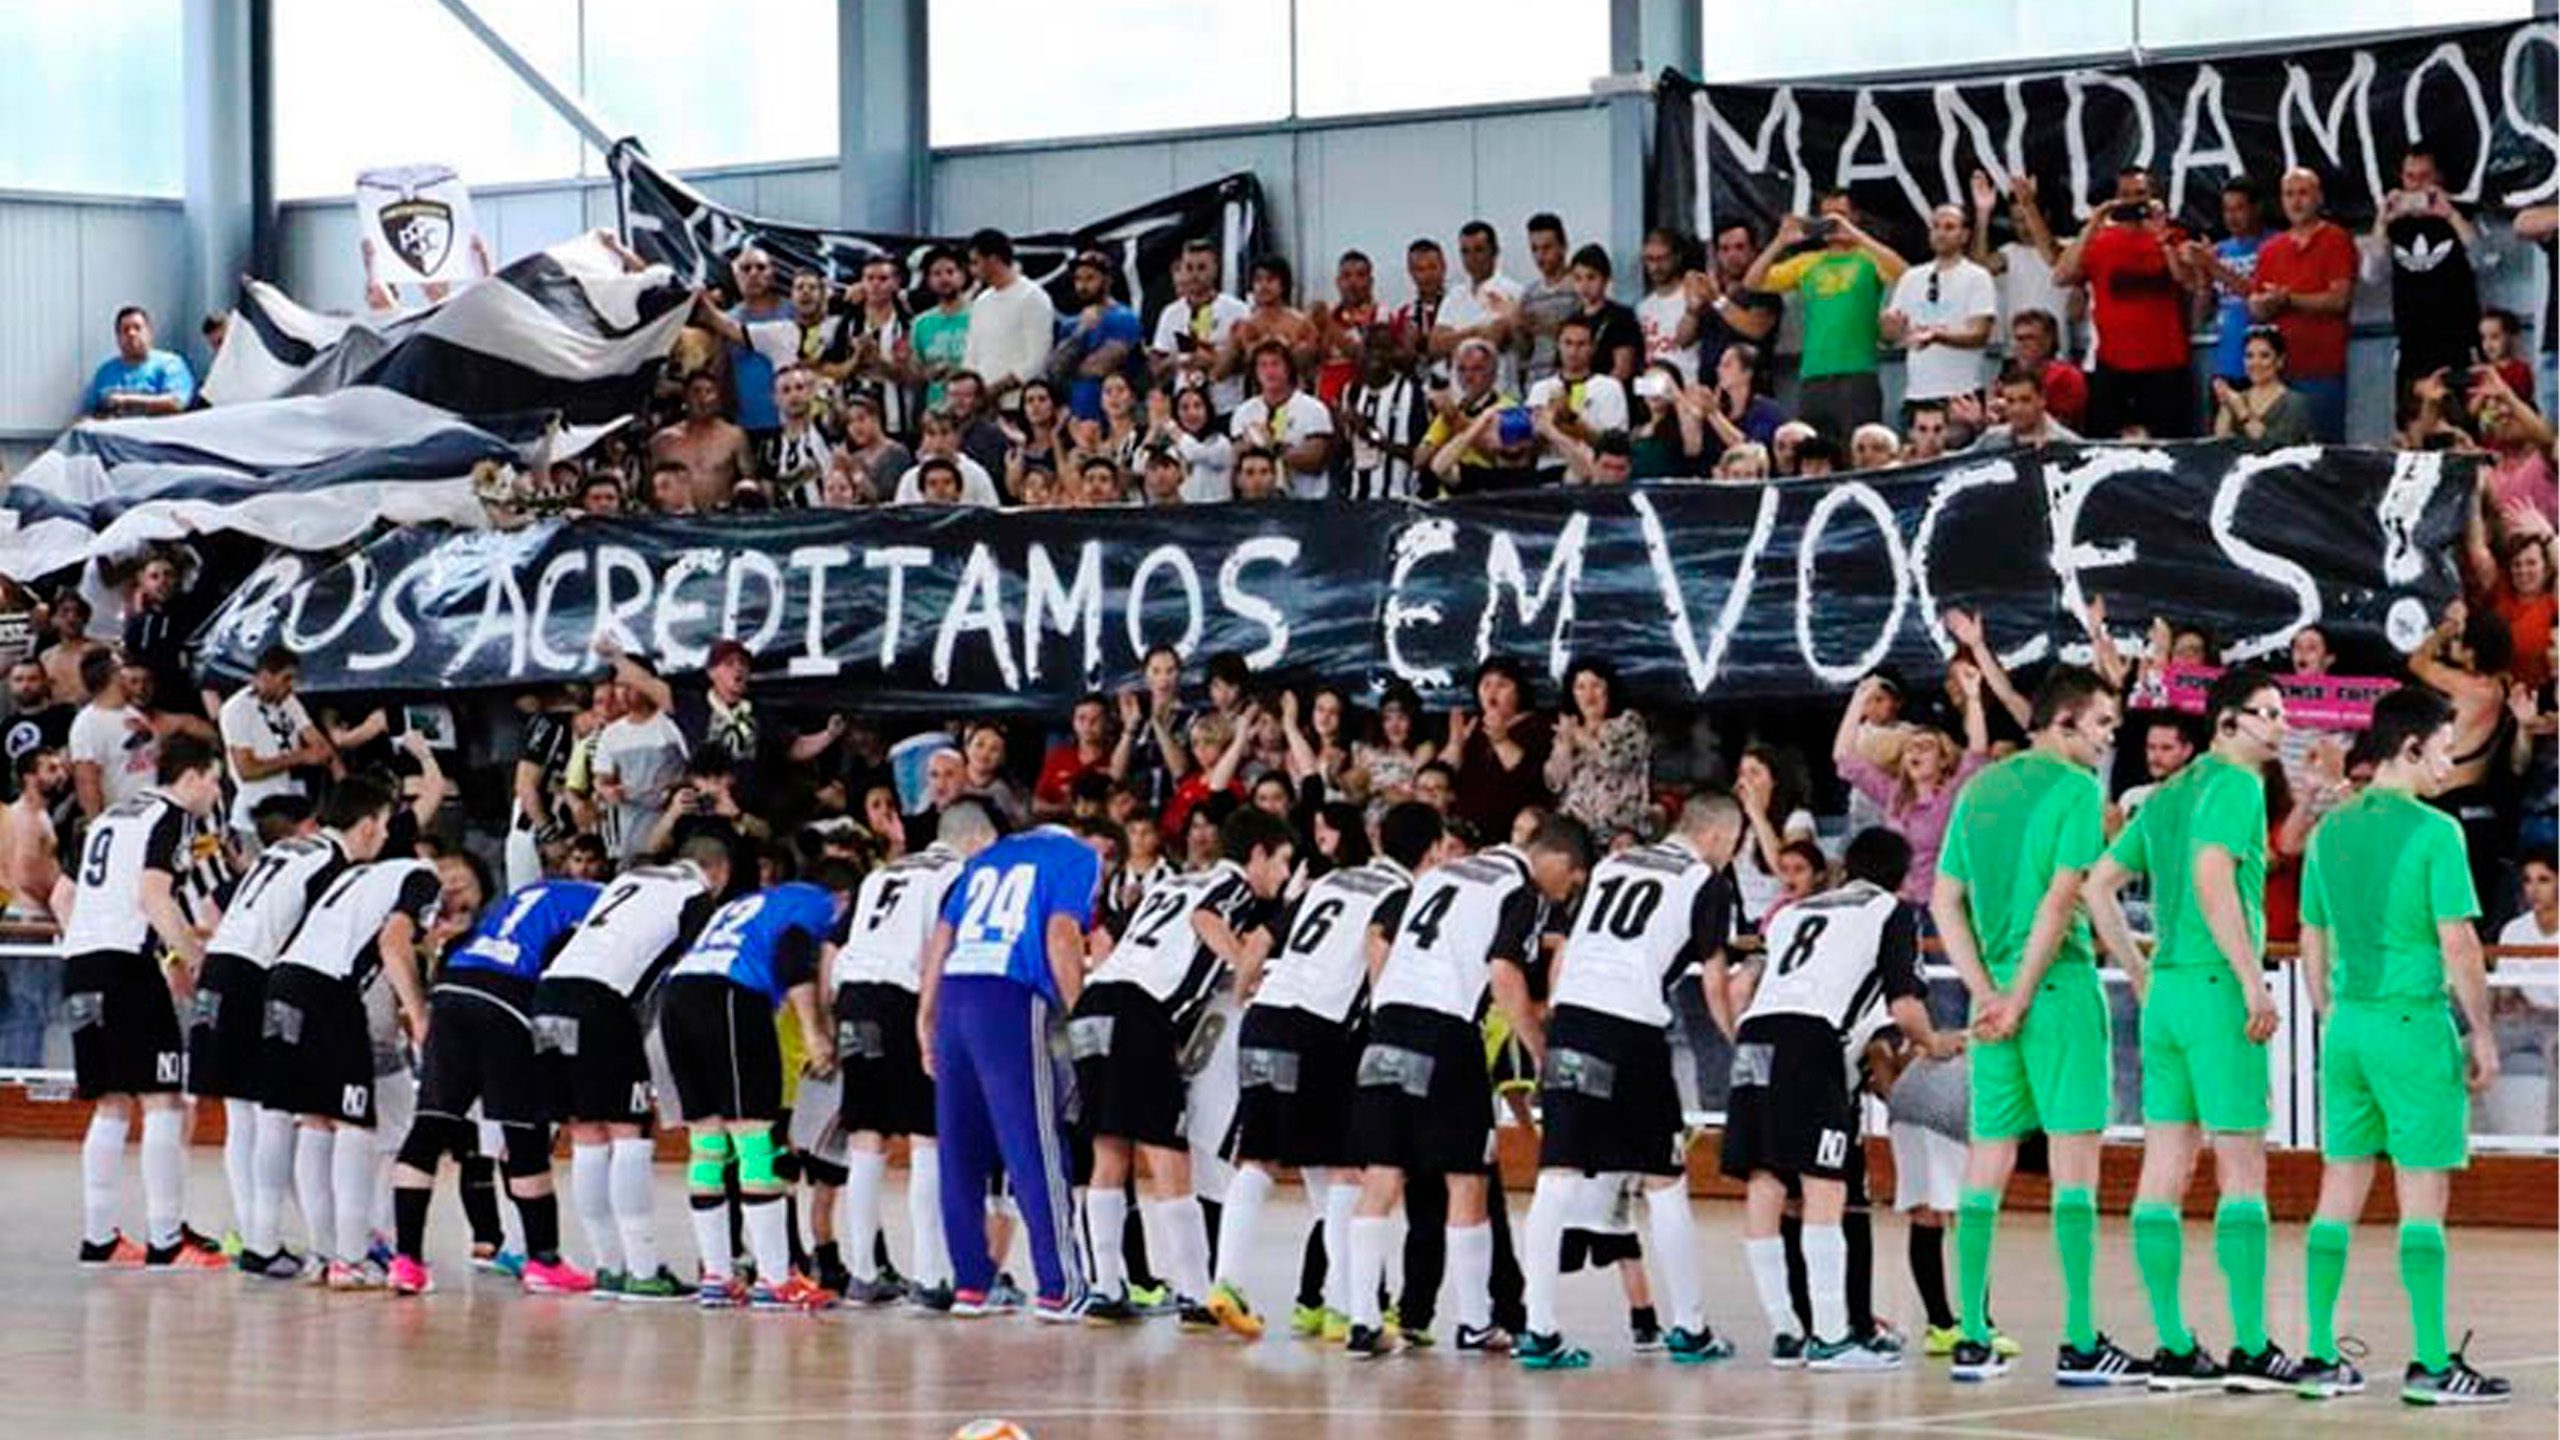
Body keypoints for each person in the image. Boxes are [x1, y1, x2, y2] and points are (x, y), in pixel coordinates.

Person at [1929, 667, 2149, 1384]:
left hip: (1988, 1002)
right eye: (2102, 726)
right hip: (2053, 992)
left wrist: (1986, 994)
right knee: (2072, 1170)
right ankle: (2081, 1338)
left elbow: (1943, 903)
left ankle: (1970, 1334)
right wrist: (2019, 996)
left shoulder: (1980, 788)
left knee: (1985, 1163)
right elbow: (2061, 904)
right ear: (2063, 724)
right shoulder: (2076, 792)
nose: (2109, 738)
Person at [2084, 665, 2298, 1392]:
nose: (2283, 723)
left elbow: (2096, 887)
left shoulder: (2172, 791)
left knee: (2164, 1170)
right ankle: (2249, 1346)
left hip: (2169, 993)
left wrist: (2142, 974)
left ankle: (2175, 1345)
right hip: (2213, 990)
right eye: (2268, 712)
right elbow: (2213, 879)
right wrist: (2250, 981)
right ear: (2229, 721)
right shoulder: (2237, 786)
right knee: (2242, 1170)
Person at [2294, 687, 2509, 1406]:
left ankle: (2319, 1354)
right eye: (2446, 747)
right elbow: (2459, 942)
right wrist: (2481, 1031)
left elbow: (2313, 940)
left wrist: (2332, 1015)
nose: (2453, 760)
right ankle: (2429, 1363)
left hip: (2349, 1026)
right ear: (2411, 747)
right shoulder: (2436, 832)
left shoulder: (2329, 833)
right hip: (2413, 1026)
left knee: (2339, 1191)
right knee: (2422, 1197)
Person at [1712, 828, 1959, 1372]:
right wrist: (1933, 1043)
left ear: (1846, 866)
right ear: (1904, 874)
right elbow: (1905, 1002)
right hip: (1811, 1041)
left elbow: (1742, 986)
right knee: (1826, 1185)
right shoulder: (1891, 912)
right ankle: (1831, 1338)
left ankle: (1786, 1332)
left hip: (1756, 1035)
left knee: (1766, 1177)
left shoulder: (1797, 911)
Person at [1343, 815, 1591, 1358]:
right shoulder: (1520, 891)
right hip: (1445, 1030)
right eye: (1572, 880)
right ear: (1556, 861)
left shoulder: (1439, 874)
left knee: (1382, 1175)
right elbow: (1503, 974)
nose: (1567, 892)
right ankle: (1476, 1320)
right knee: (1467, 1178)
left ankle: (1362, 1320)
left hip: (1386, 1026)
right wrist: (1541, 1053)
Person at [1516, 792, 1747, 1371]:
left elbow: (1565, 954)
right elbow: (1716, 983)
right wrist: (1739, 1045)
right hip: (1631, 1032)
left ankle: (1539, 1330)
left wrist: (1555, 1025)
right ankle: (1690, 1328)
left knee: (1556, 1176)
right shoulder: (1703, 881)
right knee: (1663, 1179)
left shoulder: (1615, 864)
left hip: (1572, 1019)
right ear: (1720, 837)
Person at [1214, 801, 1445, 1341]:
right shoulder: (1403, 895)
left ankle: (1227, 1282)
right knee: (1346, 1168)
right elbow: (1376, 946)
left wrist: (1246, 992)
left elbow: (1259, 942)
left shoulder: (1334, 881)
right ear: (1432, 851)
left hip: (1266, 1016)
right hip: (1319, 1029)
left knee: (1260, 1160)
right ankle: (1346, 1306)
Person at [1078, 808, 1294, 1330]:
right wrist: (1245, 966)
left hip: (1094, 1004)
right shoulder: (1234, 884)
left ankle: (1106, 1288)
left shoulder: (1173, 880)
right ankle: (1198, 1295)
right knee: (1168, 1154)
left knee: (1109, 1152)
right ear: (1258, 854)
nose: (1284, 876)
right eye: (1283, 862)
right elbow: (1205, 920)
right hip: (1140, 1010)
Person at [918, 817, 1110, 1318]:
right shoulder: (1078, 857)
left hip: (956, 989)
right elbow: (1062, 935)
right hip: (1009, 995)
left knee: (958, 1150)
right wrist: (1079, 1017)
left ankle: (971, 1283)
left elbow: (942, 937)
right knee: (1034, 1141)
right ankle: (1059, 1285)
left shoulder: (986, 857)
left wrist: (926, 1013)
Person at [205, 775, 395, 1278]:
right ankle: (265, 1243)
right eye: (384, 825)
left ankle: (256, 1236)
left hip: (220, 966)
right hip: (258, 976)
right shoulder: (334, 865)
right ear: (369, 824)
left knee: (242, 1114)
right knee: (273, 1111)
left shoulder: (291, 847)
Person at [52, 734, 229, 1269]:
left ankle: (99, 1236)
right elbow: (152, 895)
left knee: (111, 1100)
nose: (217, 792)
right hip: (126, 963)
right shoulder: (174, 818)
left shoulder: (110, 817)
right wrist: (192, 958)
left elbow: (66, 895)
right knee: (163, 1099)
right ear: (193, 776)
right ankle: (166, 1238)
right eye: (215, 780)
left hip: (80, 960)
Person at [534, 838, 731, 1303]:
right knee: (628, 1131)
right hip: (601, 1001)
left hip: (549, 995)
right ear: (718, 872)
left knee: (585, 1133)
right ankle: (643, 1270)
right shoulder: (693, 893)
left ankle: (610, 1266)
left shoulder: (630, 878)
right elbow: (700, 964)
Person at [658, 870, 852, 1311]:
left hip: (679, 996)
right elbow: (791, 955)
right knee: (755, 1141)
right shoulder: (819, 903)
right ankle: (776, 1279)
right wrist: (815, 1031)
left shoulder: (749, 903)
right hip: (730, 995)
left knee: (707, 1141)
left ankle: (718, 1275)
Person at [259, 844, 445, 1289]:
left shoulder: (359, 876)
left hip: (282, 983)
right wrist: (419, 1015)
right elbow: (393, 943)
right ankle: (352, 1258)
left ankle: (323, 1256)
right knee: (352, 1123)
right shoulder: (421, 876)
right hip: (329, 990)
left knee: (315, 1120)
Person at [826, 808, 987, 1308]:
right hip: (907, 997)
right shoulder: (959, 873)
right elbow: (947, 945)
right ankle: (932, 1274)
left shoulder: (882, 872)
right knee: (927, 1136)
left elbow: (839, 941)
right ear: (973, 838)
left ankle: (863, 1273)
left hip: (854, 995)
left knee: (866, 1137)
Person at [2054, 171, 2199, 439]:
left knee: (2171, 448)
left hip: (2165, 365)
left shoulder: (2174, 235)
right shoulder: (2101, 241)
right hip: (2114, 365)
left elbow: (2189, 281)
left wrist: (2163, 238)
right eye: (2126, 196)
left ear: (2153, 197)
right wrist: (2094, 223)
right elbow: (2061, 276)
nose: (2133, 202)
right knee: (2107, 450)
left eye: (2140, 195)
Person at [1747, 196, 1907, 439]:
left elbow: (1903, 273)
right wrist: (1780, 242)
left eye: (1841, 215)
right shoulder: (1808, 262)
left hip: (1858, 372)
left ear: (1855, 218)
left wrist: (1854, 234)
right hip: (1813, 375)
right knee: (1817, 453)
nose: (1833, 224)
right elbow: (1753, 281)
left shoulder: (1868, 257)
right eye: (1827, 218)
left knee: (1860, 450)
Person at [2247, 168, 2356, 443]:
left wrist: (2288, 298)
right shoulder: (2270, 249)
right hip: (2277, 375)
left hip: (2322, 370)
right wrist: (2263, 304)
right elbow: (2256, 309)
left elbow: (2339, 300)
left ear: (2318, 197)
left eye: (2303, 193)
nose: (2296, 201)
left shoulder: (2336, 239)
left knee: (2324, 453)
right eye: (2289, 194)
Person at [1885, 205, 1999, 418]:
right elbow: (1892, 334)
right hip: (1917, 394)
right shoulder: (1911, 277)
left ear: (1964, 235)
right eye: (1936, 227)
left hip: (1960, 395)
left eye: (1949, 227)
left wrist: (1937, 336)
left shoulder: (1977, 277)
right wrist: (1888, 327)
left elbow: (1979, 334)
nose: (1941, 233)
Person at [217, 645, 331, 846]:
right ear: (266, 676)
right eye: (286, 679)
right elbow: (247, 769)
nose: (291, 686)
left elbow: (319, 744)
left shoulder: (288, 701)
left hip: (293, 813)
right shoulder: (236, 710)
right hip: (256, 818)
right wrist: (300, 757)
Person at [958, 229, 1055, 412]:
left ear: (993, 260)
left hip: (1019, 406)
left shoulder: (1032, 297)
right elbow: (971, 354)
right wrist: (969, 391)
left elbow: (1037, 360)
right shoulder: (981, 301)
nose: (972, 270)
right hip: (982, 407)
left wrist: (994, 390)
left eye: (975, 262)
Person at [1152, 240, 1250, 416]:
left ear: (1215, 268)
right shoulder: (1171, 313)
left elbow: (1252, 363)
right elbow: (1156, 366)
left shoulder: (1237, 310)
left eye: (1201, 268)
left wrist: (1216, 361)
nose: (1195, 275)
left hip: (1226, 407)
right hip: (1186, 409)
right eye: (1189, 268)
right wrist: (1178, 360)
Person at [1228, 342, 1334, 499]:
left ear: (1288, 369)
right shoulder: (1244, 412)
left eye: (1275, 364)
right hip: (1257, 502)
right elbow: (1235, 460)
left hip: (1305, 501)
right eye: (1263, 365)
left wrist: (1274, 446)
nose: (1269, 371)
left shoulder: (1313, 409)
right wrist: (1248, 447)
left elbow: (1315, 461)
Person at [649, 371, 756, 512]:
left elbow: (750, 484)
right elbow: (649, 490)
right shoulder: (662, 441)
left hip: (720, 520)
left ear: (718, 398)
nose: (703, 398)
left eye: (709, 392)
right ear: (685, 396)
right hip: (676, 523)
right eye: (696, 391)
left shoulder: (734, 437)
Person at [2210, 327, 2315, 448]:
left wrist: (2243, 413)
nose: (2255, 363)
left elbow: (2274, 447)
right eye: (2249, 356)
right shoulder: (2238, 398)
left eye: (2264, 356)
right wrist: (2226, 404)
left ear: (2280, 361)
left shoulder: (2295, 403)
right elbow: (2221, 445)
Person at [82, 306, 195, 418]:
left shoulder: (170, 364)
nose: (132, 334)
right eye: (125, 330)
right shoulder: (105, 372)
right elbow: (92, 411)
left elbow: (176, 403)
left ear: (150, 333)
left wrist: (126, 401)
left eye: (137, 328)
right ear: (118, 337)